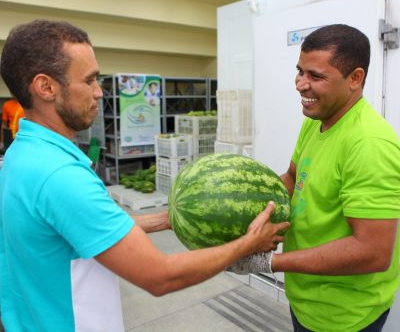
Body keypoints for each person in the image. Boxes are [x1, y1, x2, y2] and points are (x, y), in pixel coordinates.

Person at [0, 19, 289, 332]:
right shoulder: (60, 176)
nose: (99, 93)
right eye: (90, 80)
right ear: (46, 87)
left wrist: (167, 219)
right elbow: (160, 276)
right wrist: (247, 244)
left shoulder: (22, 154)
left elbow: (88, 228)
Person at [229, 24, 400, 332]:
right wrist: (245, 215)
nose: (300, 85)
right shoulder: (318, 118)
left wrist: (269, 263)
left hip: (344, 314)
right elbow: (294, 178)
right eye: (300, 72)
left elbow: (373, 252)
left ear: (355, 78)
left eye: (315, 76)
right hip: (307, 297)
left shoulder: (369, 144)